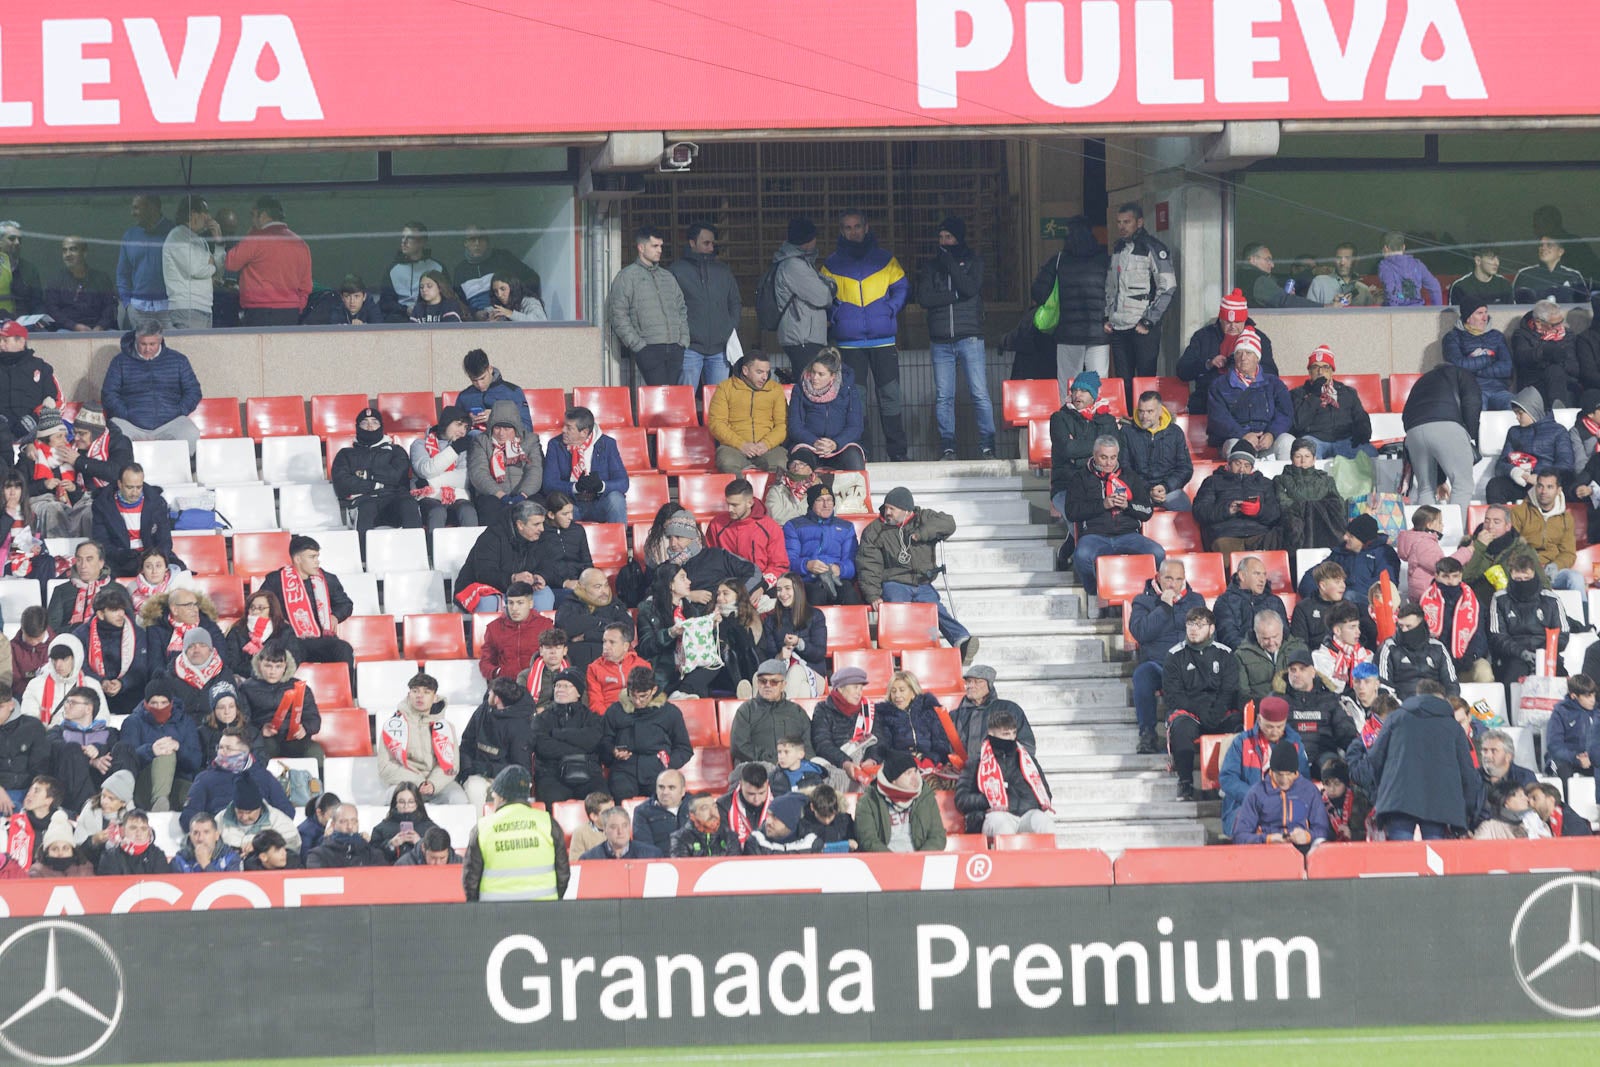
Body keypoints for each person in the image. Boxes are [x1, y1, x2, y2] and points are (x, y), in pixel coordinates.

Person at [820, 210, 909, 461]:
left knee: (890, 397)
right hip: (849, 343)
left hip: (883, 340)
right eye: (848, 228)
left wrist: (889, 309)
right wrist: (837, 314)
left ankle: (898, 454)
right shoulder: (831, 265)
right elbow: (824, 297)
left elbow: (902, 287)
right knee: (856, 401)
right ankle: (861, 453)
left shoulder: (886, 260)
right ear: (841, 231)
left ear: (866, 227)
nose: (853, 232)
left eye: (857, 226)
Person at [857, 487, 974, 663]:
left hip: (922, 581)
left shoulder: (922, 517)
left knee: (935, 608)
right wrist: (872, 595)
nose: (887, 512)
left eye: (892, 509)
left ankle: (962, 640)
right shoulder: (875, 530)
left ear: (906, 510)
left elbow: (948, 523)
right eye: (886, 507)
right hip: (894, 580)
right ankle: (898, 652)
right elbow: (868, 565)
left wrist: (922, 534)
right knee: (897, 608)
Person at [918, 216, 995, 460]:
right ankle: (948, 446)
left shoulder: (973, 261)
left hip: (970, 337)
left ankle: (988, 445)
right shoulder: (931, 266)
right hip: (940, 340)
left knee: (979, 393)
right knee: (944, 397)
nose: (944, 242)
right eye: (941, 237)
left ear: (959, 238)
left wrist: (951, 264)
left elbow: (971, 288)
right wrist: (955, 296)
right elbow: (924, 298)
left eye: (949, 237)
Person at [1364, 692, 1481, 840]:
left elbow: (1375, 757)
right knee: (1433, 852)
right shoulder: (1453, 727)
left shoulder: (1396, 718)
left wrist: (1383, 787)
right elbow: (1468, 773)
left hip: (1398, 800)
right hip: (1439, 804)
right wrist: (1467, 811)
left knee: (1401, 851)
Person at [1061, 434, 1162, 600]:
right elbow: (1072, 512)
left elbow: (1147, 511)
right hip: (1095, 536)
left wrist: (1128, 506)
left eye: (1113, 457)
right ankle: (1095, 593)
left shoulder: (1129, 476)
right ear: (1094, 455)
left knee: (1158, 553)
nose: (1109, 463)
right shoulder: (1080, 478)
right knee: (1081, 556)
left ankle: (1147, 593)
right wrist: (1103, 505)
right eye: (1104, 457)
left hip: (1128, 535)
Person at [1101, 202, 1176, 404]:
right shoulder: (1118, 248)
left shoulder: (1153, 247)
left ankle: (1146, 418)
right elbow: (1110, 287)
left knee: (1145, 381)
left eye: (1127, 222)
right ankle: (1127, 419)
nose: (1122, 226)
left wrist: (1149, 321)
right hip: (1118, 326)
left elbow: (1168, 287)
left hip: (1142, 326)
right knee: (1123, 383)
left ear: (1139, 222)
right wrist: (1107, 316)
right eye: (1119, 222)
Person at [1128, 560, 1204, 755]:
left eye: (1178, 579)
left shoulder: (1196, 601)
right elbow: (1141, 632)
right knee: (1142, 674)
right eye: (1168, 578)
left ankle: (1188, 734)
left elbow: (1208, 634)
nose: (1173, 584)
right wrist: (1164, 607)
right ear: (1158, 577)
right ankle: (1147, 735)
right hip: (1157, 664)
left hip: (1188, 664)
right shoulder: (1142, 601)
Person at [1164, 607, 1240, 802]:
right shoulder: (1174, 655)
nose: (1193, 629)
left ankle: (1232, 781)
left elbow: (1229, 690)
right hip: (1190, 711)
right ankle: (1185, 783)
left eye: (1199, 625)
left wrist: (1216, 712)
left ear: (1211, 628)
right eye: (1190, 624)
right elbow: (1174, 695)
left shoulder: (1225, 654)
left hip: (1219, 710)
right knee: (1181, 727)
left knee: (1237, 723)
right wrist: (1200, 711)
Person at [100, 322, 203, 457]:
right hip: (130, 422)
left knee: (190, 433)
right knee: (113, 434)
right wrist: (125, 413)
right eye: (143, 344)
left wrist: (178, 411)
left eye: (152, 344)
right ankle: (126, 470)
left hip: (170, 421)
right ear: (136, 339)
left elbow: (193, 391)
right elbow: (108, 394)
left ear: (160, 340)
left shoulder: (178, 360)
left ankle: (178, 468)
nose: (147, 349)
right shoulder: (120, 361)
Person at [1032, 215, 1110, 390]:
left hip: (1068, 333)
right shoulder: (1104, 260)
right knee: (1098, 384)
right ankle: (1095, 409)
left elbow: (1038, 291)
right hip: (1098, 332)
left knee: (1068, 384)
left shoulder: (1059, 261)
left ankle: (1068, 408)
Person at [258, 536, 355, 671]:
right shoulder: (276, 580)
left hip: (321, 639)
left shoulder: (327, 579)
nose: (317, 561)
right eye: (312, 557)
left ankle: (346, 685)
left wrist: (336, 616)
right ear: (298, 559)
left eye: (317, 557)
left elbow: (345, 604)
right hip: (290, 639)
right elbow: (260, 605)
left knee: (344, 649)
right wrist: (278, 620)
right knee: (284, 652)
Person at [607, 225, 689, 386]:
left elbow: (681, 309)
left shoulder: (667, 277)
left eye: (661, 246)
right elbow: (618, 314)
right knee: (658, 394)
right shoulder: (627, 277)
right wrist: (638, 345)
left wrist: (683, 340)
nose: (659, 250)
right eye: (655, 246)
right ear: (641, 248)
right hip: (649, 348)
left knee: (672, 395)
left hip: (675, 347)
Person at [1176, 289, 1279, 416]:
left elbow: (1272, 373)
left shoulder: (1258, 338)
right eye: (1228, 322)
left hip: (1249, 401)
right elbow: (1182, 370)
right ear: (1220, 319)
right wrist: (1208, 364)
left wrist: (1248, 367)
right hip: (1208, 401)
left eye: (1237, 322)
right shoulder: (1203, 337)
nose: (1232, 326)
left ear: (1245, 320)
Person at [331, 407, 422, 548]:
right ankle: (363, 558)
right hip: (364, 501)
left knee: (409, 504)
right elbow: (342, 484)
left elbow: (398, 476)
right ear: (357, 427)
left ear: (381, 426)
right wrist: (375, 485)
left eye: (374, 422)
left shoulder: (396, 451)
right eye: (365, 423)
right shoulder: (345, 454)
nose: (370, 426)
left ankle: (416, 553)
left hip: (395, 499)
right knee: (367, 508)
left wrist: (367, 475)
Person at [1218, 695, 1308, 835]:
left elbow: (1302, 780)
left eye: (1279, 727)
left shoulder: (1295, 744)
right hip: (1245, 805)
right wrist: (1256, 797)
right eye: (1269, 727)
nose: (1274, 731)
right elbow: (1227, 779)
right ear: (1259, 720)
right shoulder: (1242, 742)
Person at [954, 708, 1053, 836]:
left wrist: (1018, 803)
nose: (1011, 738)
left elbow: (1045, 794)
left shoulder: (1027, 761)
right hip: (993, 816)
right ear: (991, 733)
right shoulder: (977, 761)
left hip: (1025, 814)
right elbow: (961, 799)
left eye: (1014, 733)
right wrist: (989, 800)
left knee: (1044, 822)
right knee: (1001, 823)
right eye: (1006, 734)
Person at [179, 722, 293, 831]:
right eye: (220, 747)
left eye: (228, 748)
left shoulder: (264, 776)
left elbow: (287, 812)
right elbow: (188, 818)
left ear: (244, 751)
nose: (222, 752)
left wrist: (264, 830)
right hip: (220, 836)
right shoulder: (205, 778)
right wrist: (213, 830)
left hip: (259, 835)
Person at [375, 672, 468, 803]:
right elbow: (385, 767)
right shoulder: (393, 726)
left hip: (438, 784)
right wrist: (417, 782)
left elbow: (452, 765)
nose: (420, 695)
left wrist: (433, 784)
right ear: (409, 695)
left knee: (458, 799)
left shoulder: (446, 727)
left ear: (435, 697)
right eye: (415, 691)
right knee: (392, 796)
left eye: (426, 692)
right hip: (405, 783)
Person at [667, 221, 740, 388]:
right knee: (686, 399)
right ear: (692, 243)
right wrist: (682, 335)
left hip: (720, 348)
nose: (711, 248)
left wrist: (729, 328)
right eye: (706, 243)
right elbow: (669, 308)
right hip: (689, 347)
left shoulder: (723, 270)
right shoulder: (676, 271)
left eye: (713, 243)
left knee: (719, 399)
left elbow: (735, 302)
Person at [1401, 360, 1482, 506]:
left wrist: (1440, 481)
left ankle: (1425, 522)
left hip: (1413, 431)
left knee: (1426, 489)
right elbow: (1472, 402)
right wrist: (1471, 435)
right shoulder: (1462, 373)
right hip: (1447, 425)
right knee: (1462, 485)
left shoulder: (1422, 381)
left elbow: (1406, 413)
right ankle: (1457, 522)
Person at [454, 500, 557, 614]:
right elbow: (484, 574)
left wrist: (541, 576)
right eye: (536, 524)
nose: (542, 529)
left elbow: (549, 564)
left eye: (542, 523)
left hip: (519, 589)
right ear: (520, 525)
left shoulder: (539, 537)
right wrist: (513, 578)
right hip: (483, 588)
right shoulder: (492, 537)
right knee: (488, 601)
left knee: (545, 594)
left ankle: (538, 626)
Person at [1206, 329, 1293, 459]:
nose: (1243, 357)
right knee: (1235, 447)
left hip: (1267, 441)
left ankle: (1285, 474)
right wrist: (1243, 435)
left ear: (1257, 357)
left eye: (1248, 353)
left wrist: (1271, 434)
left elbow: (1285, 413)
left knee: (1287, 441)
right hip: (1235, 439)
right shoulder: (1219, 385)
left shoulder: (1274, 383)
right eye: (1239, 353)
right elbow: (1219, 418)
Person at [224, 195, 311, 325]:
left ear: (263, 215)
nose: (252, 220)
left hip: (260, 310)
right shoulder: (301, 244)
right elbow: (306, 285)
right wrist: (297, 306)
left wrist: (252, 233)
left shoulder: (257, 239)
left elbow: (230, 263)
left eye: (253, 215)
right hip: (290, 311)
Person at [119, 677, 201, 812]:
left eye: (163, 703)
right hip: (145, 783)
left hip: (177, 780)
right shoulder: (133, 722)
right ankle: (160, 803)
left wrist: (178, 748)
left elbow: (195, 761)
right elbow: (126, 757)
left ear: (171, 702)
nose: (159, 707)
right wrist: (151, 751)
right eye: (154, 703)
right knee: (165, 752)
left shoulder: (185, 722)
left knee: (194, 796)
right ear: (146, 703)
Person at [1488, 551, 1570, 683]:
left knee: (1564, 682)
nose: (1523, 583)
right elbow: (1498, 636)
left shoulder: (1551, 599)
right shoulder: (1500, 599)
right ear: (1511, 575)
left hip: (1548, 655)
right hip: (1514, 657)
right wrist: (1522, 653)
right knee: (1511, 676)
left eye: (1526, 578)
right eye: (1518, 579)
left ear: (1534, 574)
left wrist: (1542, 652)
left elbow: (1562, 634)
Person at [89, 462, 179, 581]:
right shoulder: (102, 505)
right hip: (120, 560)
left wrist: (155, 559)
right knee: (105, 575)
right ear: (120, 484)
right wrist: (124, 555)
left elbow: (165, 540)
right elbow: (102, 542)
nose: (135, 492)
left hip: (153, 556)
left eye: (139, 487)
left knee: (181, 571)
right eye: (130, 487)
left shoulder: (157, 503)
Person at [1232, 739, 1330, 847]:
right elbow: (1240, 836)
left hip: (1302, 849)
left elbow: (1323, 830)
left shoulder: (1310, 791)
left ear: (1295, 772)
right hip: (1267, 849)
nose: (1284, 780)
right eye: (1279, 774)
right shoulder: (1256, 793)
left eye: (1288, 774)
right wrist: (1268, 839)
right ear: (1272, 771)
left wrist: (1307, 836)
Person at [1048, 370, 1121, 513]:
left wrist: (1078, 452)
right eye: (1074, 390)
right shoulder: (1059, 418)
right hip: (1067, 485)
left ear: (1093, 395)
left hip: (1101, 485)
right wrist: (1101, 448)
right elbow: (1067, 449)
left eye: (1083, 391)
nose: (1077, 395)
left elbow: (1116, 452)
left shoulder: (1108, 420)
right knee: (1076, 515)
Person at [543, 405, 628, 525]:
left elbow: (623, 483)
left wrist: (601, 486)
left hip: (599, 504)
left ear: (584, 432)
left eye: (569, 428)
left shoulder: (608, 444)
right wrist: (575, 487)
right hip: (571, 505)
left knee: (616, 499)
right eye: (564, 425)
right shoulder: (555, 445)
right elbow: (549, 484)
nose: (563, 430)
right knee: (554, 505)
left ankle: (619, 536)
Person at [531, 669, 604, 803]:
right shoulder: (542, 718)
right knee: (552, 798)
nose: (560, 689)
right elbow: (543, 747)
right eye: (558, 685)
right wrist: (581, 749)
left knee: (602, 801)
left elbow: (592, 740)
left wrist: (558, 734)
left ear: (578, 693)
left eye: (566, 686)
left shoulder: (591, 717)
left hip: (588, 771)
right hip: (551, 773)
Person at [707, 352, 788, 475]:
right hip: (733, 447)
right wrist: (740, 444)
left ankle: (772, 489)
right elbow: (716, 424)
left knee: (780, 463)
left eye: (767, 372)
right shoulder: (725, 388)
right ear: (745, 370)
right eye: (759, 372)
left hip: (768, 447)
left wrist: (766, 444)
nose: (765, 377)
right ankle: (741, 488)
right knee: (727, 462)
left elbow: (782, 424)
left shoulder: (775, 389)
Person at [787, 348, 867, 471]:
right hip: (809, 445)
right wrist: (815, 442)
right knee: (799, 465)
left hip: (841, 446)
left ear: (832, 376)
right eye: (813, 372)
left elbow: (855, 426)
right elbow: (795, 427)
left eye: (821, 374)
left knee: (854, 460)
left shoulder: (849, 390)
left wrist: (835, 443)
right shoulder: (799, 390)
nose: (815, 377)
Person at [74, 586, 149, 717]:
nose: (121, 614)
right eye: (114, 610)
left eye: (122, 609)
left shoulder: (137, 633)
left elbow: (141, 667)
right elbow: (80, 666)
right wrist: (101, 682)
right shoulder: (82, 634)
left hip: (130, 691)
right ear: (100, 614)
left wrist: (122, 683)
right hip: (94, 690)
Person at [467, 400, 543, 528]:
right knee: (489, 506)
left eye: (507, 429)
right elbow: (479, 473)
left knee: (536, 505)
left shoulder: (530, 440)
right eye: (497, 428)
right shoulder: (481, 441)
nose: (501, 433)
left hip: (524, 494)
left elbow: (534, 470)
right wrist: (501, 495)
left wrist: (523, 494)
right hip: (494, 495)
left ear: (516, 428)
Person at [853, 749, 947, 852]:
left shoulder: (926, 796)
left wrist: (920, 858)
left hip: (920, 858)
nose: (915, 778)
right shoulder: (869, 801)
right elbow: (868, 841)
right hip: (885, 860)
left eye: (915, 771)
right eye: (908, 773)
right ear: (893, 780)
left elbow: (938, 836)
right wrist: (895, 860)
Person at [1288, 346, 1373, 459]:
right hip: (1314, 439)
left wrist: (1363, 431)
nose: (1320, 372)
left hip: (1345, 439)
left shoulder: (1347, 392)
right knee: (1305, 455)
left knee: (1370, 453)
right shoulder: (1297, 393)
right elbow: (1298, 424)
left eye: (1325, 367)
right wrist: (1314, 396)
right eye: (1315, 367)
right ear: (1309, 371)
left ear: (1332, 371)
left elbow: (1360, 416)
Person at [1194, 448, 1284, 554]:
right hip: (1225, 534)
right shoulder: (1212, 482)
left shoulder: (1265, 483)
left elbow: (1275, 514)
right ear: (1229, 464)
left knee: (1278, 539)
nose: (1242, 469)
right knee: (1223, 547)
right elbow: (1200, 511)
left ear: (1252, 468)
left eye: (1247, 465)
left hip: (1259, 534)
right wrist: (1227, 510)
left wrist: (1258, 511)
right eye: (1237, 464)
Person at [1419, 556, 1493, 684]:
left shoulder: (1474, 602)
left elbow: (1480, 635)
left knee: (1483, 672)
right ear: (1436, 576)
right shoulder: (1425, 603)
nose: (1450, 581)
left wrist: (1471, 656)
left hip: (1466, 660)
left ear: (1460, 576)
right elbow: (1420, 637)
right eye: (1445, 576)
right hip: (1436, 663)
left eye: (1455, 576)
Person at [783, 484, 861, 607]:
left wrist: (839, 569)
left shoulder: (846, 527)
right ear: (811, 503)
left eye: (829, 500)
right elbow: (788, 561)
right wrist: (806, 565)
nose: (826, 505)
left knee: (849, 593)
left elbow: (852, 561)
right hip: (807, 579)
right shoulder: (794, 526)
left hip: (837, 578)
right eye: (820, 500)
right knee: (816, 594)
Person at [1508, 470, 1585, 591]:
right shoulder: (1519, 512)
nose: (1543, 491)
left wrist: (1556, 565)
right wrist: (1528, 566)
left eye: (1549, 487)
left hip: (1552, 571)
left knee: (1575, 578)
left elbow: (1569, 553)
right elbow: (1511, 547)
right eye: (1540, 486)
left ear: (1558, 490)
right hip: (1525, 570)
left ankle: (1582, 605)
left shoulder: (1566, 518)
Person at [704, 478, 789, 587]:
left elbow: (779, 565)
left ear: (749, 503)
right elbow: (710, 559)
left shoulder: (770, 527)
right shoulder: (717, 524)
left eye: (735, 505)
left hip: (760, 584)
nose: (730, 509)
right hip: (725, 585)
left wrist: (762, 586)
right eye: (728, 504)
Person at [757, 574, 828, 698]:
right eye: (779, 590)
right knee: (803, 691)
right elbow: (768, 656)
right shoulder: (771, 621)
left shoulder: (816, 615)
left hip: (814, 674)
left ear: (797, 589)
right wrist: (780, 656)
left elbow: (819, 653)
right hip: (784, 676)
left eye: (787, 588)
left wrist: (799, 644)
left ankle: (765, 706)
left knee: (795, 671)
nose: (782, 594)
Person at [408, 405, 477, 531]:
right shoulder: (419, 444)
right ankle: (432, 544)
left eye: (465, 427)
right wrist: (454, 450)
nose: (463, 431)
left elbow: (465, 478)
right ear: (446, 422)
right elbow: (426, 470)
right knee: (437, 512)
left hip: (457, 496)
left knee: (468, 511)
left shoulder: (463, 445)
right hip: (428, 498)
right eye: (458, 424)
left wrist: (429, 482)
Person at [1121, 391, 1193, 512]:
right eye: (1141, 411)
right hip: (1138, 490)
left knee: (1185, 508)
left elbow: (1185, 468)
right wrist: (1148, 489)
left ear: (1160, 411)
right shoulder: (1127, 432)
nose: (1144, 416)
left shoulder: (1175, 432)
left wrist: (1166, 486)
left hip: (1168, 490)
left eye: (1150, 411)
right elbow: (1124, 468)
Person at [161, 193, 225, 330]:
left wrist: (219, 243)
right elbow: (196, 270)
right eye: (205, 212)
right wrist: (211, 264)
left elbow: (219, 272)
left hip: (205, 307)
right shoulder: (177, 236)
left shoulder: (200, 240)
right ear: (192, 214)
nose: (208, 217)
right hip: (187, 308)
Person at [25, 411, 92, 538]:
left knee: (90, 509)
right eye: (59, 436)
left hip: (69, 504)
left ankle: (88, 547)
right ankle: (59, 549)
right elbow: (21, 490)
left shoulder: (70, 456)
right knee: (53, 509)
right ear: (46, 438)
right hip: (41, 502)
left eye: (65, 436)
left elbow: (82, 493)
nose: (65, 441)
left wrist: (73, 488)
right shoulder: (30, 457)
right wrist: (43, 485)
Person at [1442, 295, 1514, 410]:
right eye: (1479, 313)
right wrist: (1489, 358)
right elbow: (1459, 366)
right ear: (1468, 317)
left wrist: (1475, 367)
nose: (1485, 318)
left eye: (1486, 312)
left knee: (1514, 407)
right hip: (1472, 390)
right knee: (1476, 409)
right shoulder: (1453, 337)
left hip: (1499, 390)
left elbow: (1507, 368)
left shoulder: (1497, 336)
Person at [1461, 504, 1542, 604]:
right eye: (1487, 521)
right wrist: (1479, 547)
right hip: (1477, 604)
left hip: (1513, 604)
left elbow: (1542, 582)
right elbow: (1464, 578)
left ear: (1507, 526)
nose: (1490, 526)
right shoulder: (1468, 545)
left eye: (1496, 522)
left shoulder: (1522, 549)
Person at [116, 195, 174, 330]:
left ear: (152, 208)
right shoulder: (130, 235)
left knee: (172, 343)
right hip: (138, 308)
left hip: (169, 307)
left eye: (136, 208)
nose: (132, 213)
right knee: (142, 344)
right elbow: (122, 274)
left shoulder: (174, 232)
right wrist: (128, 304)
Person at [554, 569, 630, 672]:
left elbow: (627, 633)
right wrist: (601, 623)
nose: (604, 591)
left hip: (610, 668)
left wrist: (588, 635)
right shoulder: (570, 604)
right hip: (576, 667)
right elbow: (566, 628)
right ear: (582, 587)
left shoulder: (615, 606)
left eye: (606, 585)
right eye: (598, 587)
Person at [1511, 300, 1580, 413]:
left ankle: (1558, 413)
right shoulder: (1522, 335)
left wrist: (1558, 361)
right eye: (1555, 325)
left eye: (1561, 321)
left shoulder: (1568, 336)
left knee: (1555, 371)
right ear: (1538, 323)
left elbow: (1574, 367)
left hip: (1564, 380)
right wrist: (1544, 351)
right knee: (1553, 370)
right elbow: (1522, 359)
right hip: (1534, 382)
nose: (1560, 327)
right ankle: (1558, 414)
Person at [20, 636, 104, 726]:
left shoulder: (92, 685)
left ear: (76, 658)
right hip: (47, 734)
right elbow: (29, 721)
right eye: (54, 659)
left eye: (64, 659)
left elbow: (102, 719)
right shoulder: (36, 685)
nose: (58, 665)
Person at [453, 223, 535, 315]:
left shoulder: (503, 258)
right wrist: (475, 314)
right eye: (472, 239)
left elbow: (531, 279)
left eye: (481, 238)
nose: (477, 243)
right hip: (478, 321)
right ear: (465, 243)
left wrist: (510, 305)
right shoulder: (460, 271)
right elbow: (459, 303)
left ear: (487, 241)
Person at [1214, 555, 1289, 651]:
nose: (1262, 579)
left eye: (1264, 574)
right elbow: (1228, 637)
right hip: (1241, 655)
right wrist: (1254, 654)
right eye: (1257, 574)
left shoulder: (1275, 601)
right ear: (1242, 576)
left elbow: (1285, 633)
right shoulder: (1225, 602)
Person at [44, 234, 117, 332]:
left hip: (100, 329)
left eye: (73, 249)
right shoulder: (55, 281)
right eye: (64, 250)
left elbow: (110, 307)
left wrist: (101, 326)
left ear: (84, 252)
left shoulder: (101, 278)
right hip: (67, 330)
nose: (68, 254)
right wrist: (74, 326)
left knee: (117, 336)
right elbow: (52, 310)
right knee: (60, 334)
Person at [1236, 609, 1307, 706]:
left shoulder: (1298, 648)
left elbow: (1308, 685)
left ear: (1282, 631)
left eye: (1275, 636)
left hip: (1295, 706)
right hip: (1261, 709)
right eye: (1265, 638)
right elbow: (1243, 695)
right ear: (1256, 634)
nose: (1271, 643)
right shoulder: (1242, 655)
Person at [585, 621, 651, 715]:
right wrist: (611, 719)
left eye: (612, 642)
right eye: (604, 641)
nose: (606, 646)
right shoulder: (594, 668)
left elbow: (647, 698)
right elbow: (595, 704)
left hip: (637, 716)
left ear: (625, 646)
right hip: (609, 717)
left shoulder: (643, 665)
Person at [1544, 673, 1598, 781]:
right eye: (1588, 696)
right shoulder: (1560, 712)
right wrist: (1576, 758)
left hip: (1591, 760)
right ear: (1574, 696)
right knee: (1563, 770)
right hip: (1566, 760)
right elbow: (1554, 746)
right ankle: (1565, 793)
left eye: (1593, 695)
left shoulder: (1597, 712)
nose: (1593, 700)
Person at [47, 541, 108, 635]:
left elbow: (125, 626)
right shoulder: (62, 591)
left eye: (89, 559)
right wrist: (77, 629)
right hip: (69, 640)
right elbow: (51, 630)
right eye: (79, 560)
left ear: (101, 563)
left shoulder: (115, 590)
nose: (83, 566)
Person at [367, 783, 437, 863]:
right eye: (401, 802)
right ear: (395, 804)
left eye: (411, 802)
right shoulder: (380, 829)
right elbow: (371, 859)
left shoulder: (431, 829)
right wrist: (391, 845)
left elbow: (440, 856)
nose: (406, 806)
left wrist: (420, 844)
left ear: (417, 803)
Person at [386, 221, 446, 314]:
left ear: (422, 242)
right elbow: (386, 303)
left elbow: (447, 299)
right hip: (400, 317)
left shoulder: (438, 268)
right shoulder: (392, 269)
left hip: (430, 316)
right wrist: (405, 310)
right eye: (403, 237)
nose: (403, 241)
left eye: (409, 238)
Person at [304, 803, 389, 868]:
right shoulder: (318, 855)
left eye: (353, 821)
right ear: (333, 824)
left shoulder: (373, 854)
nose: (350, 826)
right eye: (343, 821)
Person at [1236, 243, 1318, 308]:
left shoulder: (1237, 276)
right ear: (1253, 260)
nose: (1272, 265)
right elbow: (1285, 301)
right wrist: (1321, 307)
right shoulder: (1258, 279)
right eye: (1268, 259)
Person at [1514, 235, 1590, 304]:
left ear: (1560, 251)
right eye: (1541, 245)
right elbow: (1514, 306)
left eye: (1549, 245)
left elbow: (1583, 304)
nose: (1543, 248)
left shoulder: (1573, 276)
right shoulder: (1525, 275)